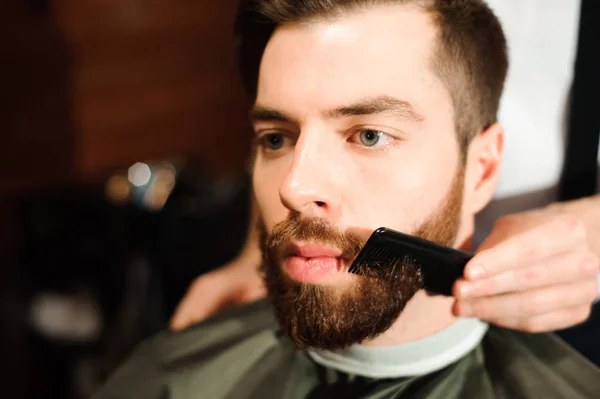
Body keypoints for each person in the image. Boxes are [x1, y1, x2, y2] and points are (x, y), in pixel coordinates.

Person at [93, 1, 600, 398]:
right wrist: (257, 251)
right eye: (276, 138)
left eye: (370, 136)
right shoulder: (168, 381)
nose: (294, 188)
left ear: (483, 168)